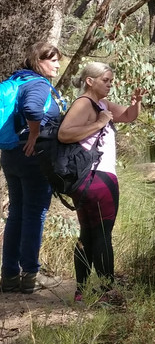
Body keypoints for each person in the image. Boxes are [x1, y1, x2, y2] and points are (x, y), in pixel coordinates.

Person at [59, 62, 144, 301]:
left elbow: (127, 116)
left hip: (92, 178)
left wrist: (136, 103)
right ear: (90, 81)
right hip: (96, 178)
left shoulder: (102, 104)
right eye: (105, 80)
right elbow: (64, 134)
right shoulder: (84, 104)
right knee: (103, 234)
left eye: (110, 80)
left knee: (88, 233)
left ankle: (81, 291)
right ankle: (108, 291)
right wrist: (98, 123)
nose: (109, 83)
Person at [0, 41, 65, 293]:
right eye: (52, 60)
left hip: (11, 155)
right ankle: (30, 276)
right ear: (38, 61)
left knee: (16, 213)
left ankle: (9, 276)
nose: (57, 65)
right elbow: (31, 108)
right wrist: (35, 134)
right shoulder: (38, 84)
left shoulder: (18, 80)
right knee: (34, 214)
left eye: (58, 60)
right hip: (32, 156)